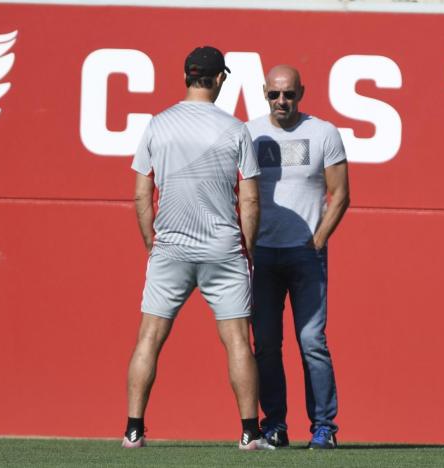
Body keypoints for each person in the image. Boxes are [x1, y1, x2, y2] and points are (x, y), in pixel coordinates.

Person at [123, 45, 273, 451]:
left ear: (186, 76)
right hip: (223, 249)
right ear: (220, 78)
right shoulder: (236, 128)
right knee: (238, 341)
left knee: (149, 337)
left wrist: (151, 241)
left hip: (170, 247)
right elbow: (251, 200)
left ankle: (133, 430)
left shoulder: (157, 124)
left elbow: (141, 194)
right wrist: (249, 249)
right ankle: (249, 433)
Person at [246, 65, 350, 449]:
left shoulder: (323, 132)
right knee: (267, 343)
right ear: (264, 93)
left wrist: (318, 240)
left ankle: (324, 427)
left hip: (306, 256)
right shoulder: (249, 133)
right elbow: (237, 192)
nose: (281, 102)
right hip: (263, 256)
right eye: (274, 95)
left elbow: (340, 194)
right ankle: (274, 424)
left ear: (301, 93)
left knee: (312, 341)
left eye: (288, 94)